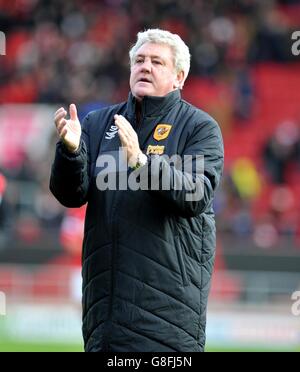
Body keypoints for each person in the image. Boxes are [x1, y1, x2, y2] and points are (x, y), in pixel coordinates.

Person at [50, 29, 224, 352]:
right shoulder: (99, 123)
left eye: (157, 62)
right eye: (139, 60)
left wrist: (142, 164)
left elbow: (196, 194)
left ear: (179, 77)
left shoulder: (199, 128)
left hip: (168, 326)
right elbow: (69, 195)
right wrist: (71, 153)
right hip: (104, 322)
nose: (145, 66)